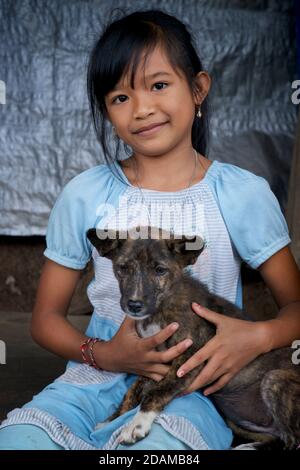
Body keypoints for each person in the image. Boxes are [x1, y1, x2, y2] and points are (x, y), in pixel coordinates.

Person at [0, 9, 299, 451]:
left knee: (155, 451)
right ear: (106, 111)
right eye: (120, 97)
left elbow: (296, 304)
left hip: (191, 388)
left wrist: (256, 336)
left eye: (159, 85)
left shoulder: (242, 193)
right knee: (20, 441)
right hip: (93, 379)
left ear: (198, 89)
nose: (142, 108)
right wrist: (103, 354)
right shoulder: (85, 194)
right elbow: (44, 320)